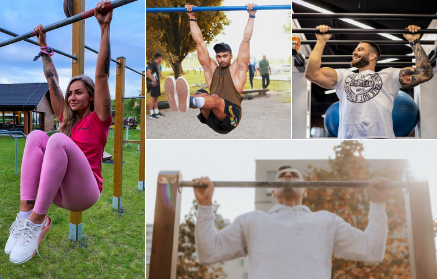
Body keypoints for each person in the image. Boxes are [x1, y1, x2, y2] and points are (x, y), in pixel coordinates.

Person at [4, 1, 113, 264]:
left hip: (84, 192)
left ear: (90, 97)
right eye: (70, 93)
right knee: (37, 136)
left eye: (79, 92)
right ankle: (24, 217)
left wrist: (104, 28)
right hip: (57, 190)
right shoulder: (66, 119)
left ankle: (36, 221)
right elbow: (51, 78)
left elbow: (101, 76)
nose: (72, 97)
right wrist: (43, 46)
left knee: (58, 140)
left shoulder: (100, 119)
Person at [193, 166, 390, 279]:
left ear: (305, 190)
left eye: (294, 175)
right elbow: (209, 253)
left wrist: (378, 203)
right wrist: (204, 205)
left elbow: (372, 251)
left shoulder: (326, 220)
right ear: (273, 191)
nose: (288, 176)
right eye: (282, 175)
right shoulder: (252, 220)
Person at [305, 25, 434, 139]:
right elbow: (312, 73)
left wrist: (414, 41)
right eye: (355, 50)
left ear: (372, 56)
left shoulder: (390, 75)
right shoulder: (343, 76)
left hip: (381, 142)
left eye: (360, 49)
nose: (354, 52)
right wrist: (321, 41)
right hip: (349, 144)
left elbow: (425, 73)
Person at [163, 3, 256, 134]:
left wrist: (252, 15)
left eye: (225, 56)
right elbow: (199, 41)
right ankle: (182, 100)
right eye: (219, 56)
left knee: (216, 99)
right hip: (212, 117)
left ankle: (190, 100)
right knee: (203, 94)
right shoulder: (211, 69)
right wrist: (191, 17)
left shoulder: (238, 69)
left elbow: (246, 40)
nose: (222, 59)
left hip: (231, 118)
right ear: (216, 57)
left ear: (231, 56)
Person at [147, 53, 165, 119]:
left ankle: (156, 112)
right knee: (152, 98)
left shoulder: (156, 65)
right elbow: (148, 72)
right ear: (159, 58)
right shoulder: (152, 64)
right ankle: (151, 114)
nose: (161, 59)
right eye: (161, 58)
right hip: (153, 83)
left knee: (156, 98)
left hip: (157, 83)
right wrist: (153, 80)